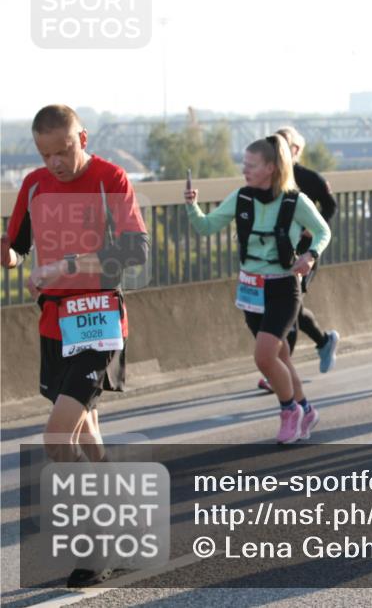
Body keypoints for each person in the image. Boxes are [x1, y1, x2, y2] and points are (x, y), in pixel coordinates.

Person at [2, 104, 149, 588]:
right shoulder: (34, 185)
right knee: (87, 434)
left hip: (100, 320)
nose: (55, 163)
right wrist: (10, 255)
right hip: (54, 325)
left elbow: (135, 250)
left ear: (82, 138)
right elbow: (18, 246)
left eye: (63, 151)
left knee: (57, 438)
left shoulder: (111, 179)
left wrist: (65, 265)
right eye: (45, 154)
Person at [184, 135, 331, 444]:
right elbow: (207, 227)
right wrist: (192, 206)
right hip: (251, 288)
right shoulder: (242, 198)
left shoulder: (295, 201)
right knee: (281, 358)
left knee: (264, 358)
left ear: (271, 168)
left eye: (251, 165)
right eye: (244, 164)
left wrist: (310, 255)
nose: (244, 170)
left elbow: (323, 231)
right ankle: (307, 410)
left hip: (283, 288)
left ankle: (289, 411)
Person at [250, 126, 338, 393]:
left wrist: (314, 227)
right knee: (291, 310)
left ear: (296, 150)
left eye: (282, 144)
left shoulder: (310, 179)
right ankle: (323, 341)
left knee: (289, 308)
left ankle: (278, 371)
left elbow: (330, 205)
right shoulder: (268, 179)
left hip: (305, 254)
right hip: (275, 256)